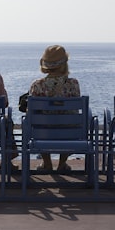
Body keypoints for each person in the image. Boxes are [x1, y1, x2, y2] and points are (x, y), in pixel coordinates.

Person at [27, 44, 81, 173]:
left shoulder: (37, 85)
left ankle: (47, 163)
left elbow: (31, 112)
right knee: (69, 122)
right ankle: (62, 164)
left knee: (39, 123)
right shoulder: (73, 84)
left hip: (43, 134)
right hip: (69, 133)